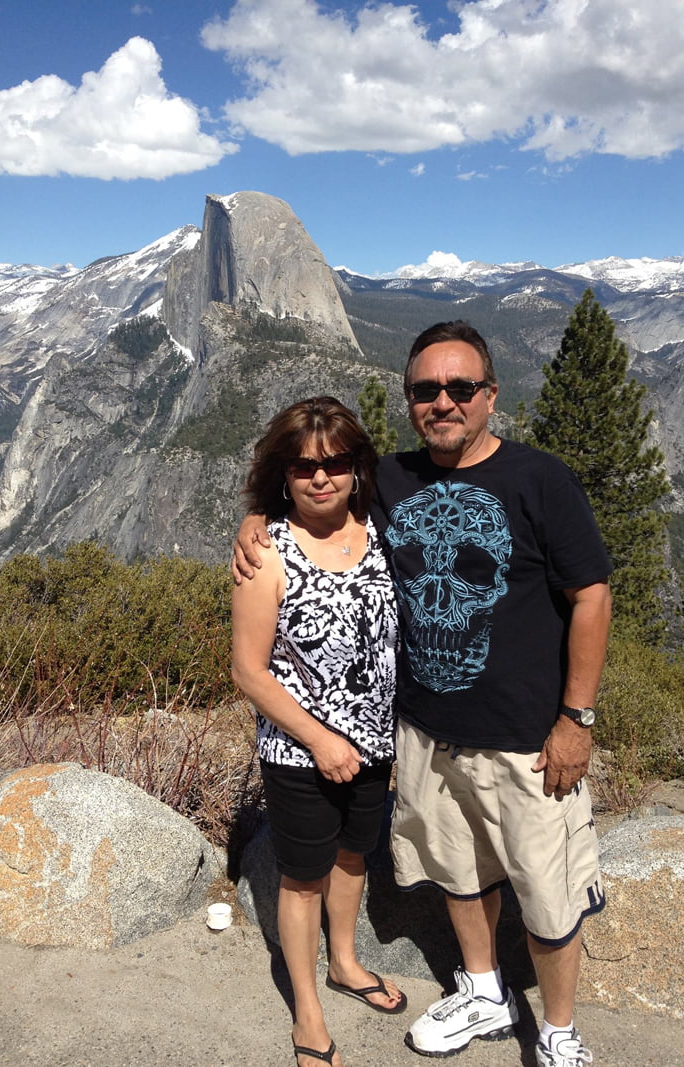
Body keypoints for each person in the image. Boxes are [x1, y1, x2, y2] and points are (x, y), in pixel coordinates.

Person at [233, 323, 612, 1067]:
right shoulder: (394, 481)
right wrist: (256, 519)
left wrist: (577, 718)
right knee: (456, 870)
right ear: (409, 400)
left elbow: (592, 597)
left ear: (489, 396)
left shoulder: (541, 479)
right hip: (424, 736)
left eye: (460, 387)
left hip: (527, 739)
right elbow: (310, 499)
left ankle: (561, 1032)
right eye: (425, 390)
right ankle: (481, 989)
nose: (443, 401)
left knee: (547, 892)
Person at [231, 396, 407, 1067]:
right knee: (302, 878)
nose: (321, 477)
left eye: (335, 462)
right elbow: (249, 672)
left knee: (354, 855)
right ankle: (308, 1007)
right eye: (304, 466)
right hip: (300, 750)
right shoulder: (266, 553)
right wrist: (321, 739)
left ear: (357, 466)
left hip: (375, 743)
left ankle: (346, 961)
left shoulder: (382, 528)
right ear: (284, 473)